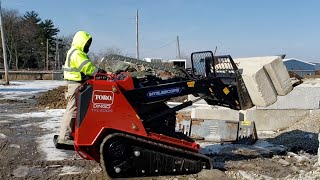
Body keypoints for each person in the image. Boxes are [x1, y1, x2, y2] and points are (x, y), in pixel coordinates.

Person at [57, 30, 106, 143]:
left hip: (76, 83)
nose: (88, 46)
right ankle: (63, 137)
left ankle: (71, 134)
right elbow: (87, 67)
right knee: (72, 109)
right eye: (86, 43)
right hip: (75, 84)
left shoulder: (76, 52)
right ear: (81, 42)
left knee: (74, 109)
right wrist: (99, 72)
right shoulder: (77, 53)